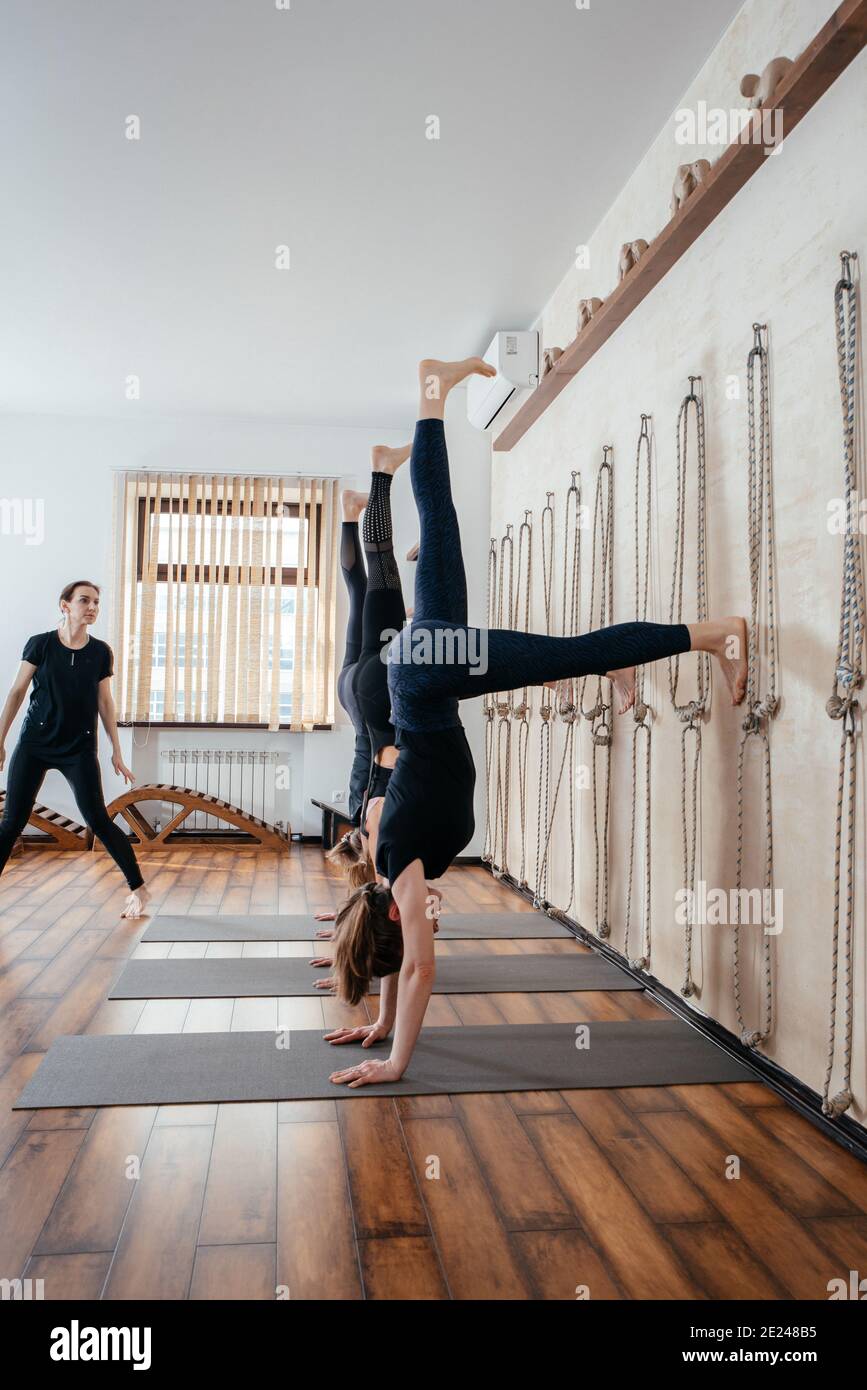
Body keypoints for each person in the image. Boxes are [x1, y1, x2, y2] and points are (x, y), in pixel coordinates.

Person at [325, 355, 749, 1087]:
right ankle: (431, 393)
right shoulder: (385, 861)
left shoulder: (399, 881)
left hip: (430, 673)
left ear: (393, 916)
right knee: (447, 525)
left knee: (582, 650)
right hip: (418, 669)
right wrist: (381, 1017)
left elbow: (419, 966)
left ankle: (714, 635)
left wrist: (396, 1061)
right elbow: (402, 947)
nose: (432, 915)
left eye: (418, 918)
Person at [0, 580, 149, 918]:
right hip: (35, 744)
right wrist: (0, 740)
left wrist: (116, 750)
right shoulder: (40, 645)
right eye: (85, 600)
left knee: (97, 819)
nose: (93, 607)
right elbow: (16, 692)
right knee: (11, 822)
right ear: (65, 605)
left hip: (78, 747)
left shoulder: (100, 652)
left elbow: (105, 702)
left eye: (96, 601)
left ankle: (139, 889)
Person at [326, 443, 411, 888]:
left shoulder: (377, 810)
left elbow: (395, 755)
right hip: (350, 692)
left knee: (382, 568)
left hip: (372, 693)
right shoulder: (358, 811)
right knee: (359, 592)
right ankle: (349, 513)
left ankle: (383, 472)